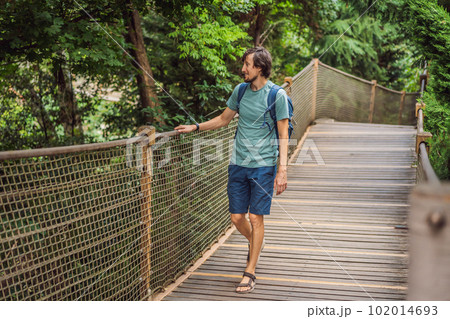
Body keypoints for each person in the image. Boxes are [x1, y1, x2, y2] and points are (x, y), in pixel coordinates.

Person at [175, 46, 289, 294]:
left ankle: (250, 271)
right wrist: (194, 128)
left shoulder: (277, 96)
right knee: (237, 218)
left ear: (259, 67)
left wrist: (283, 170)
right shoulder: (240, 91)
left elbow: (283, 134)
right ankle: (255, 242)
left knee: (256, 217)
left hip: (263, 165)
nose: (243, 69)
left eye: (247, 64)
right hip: (238, 163)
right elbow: (223, 120)